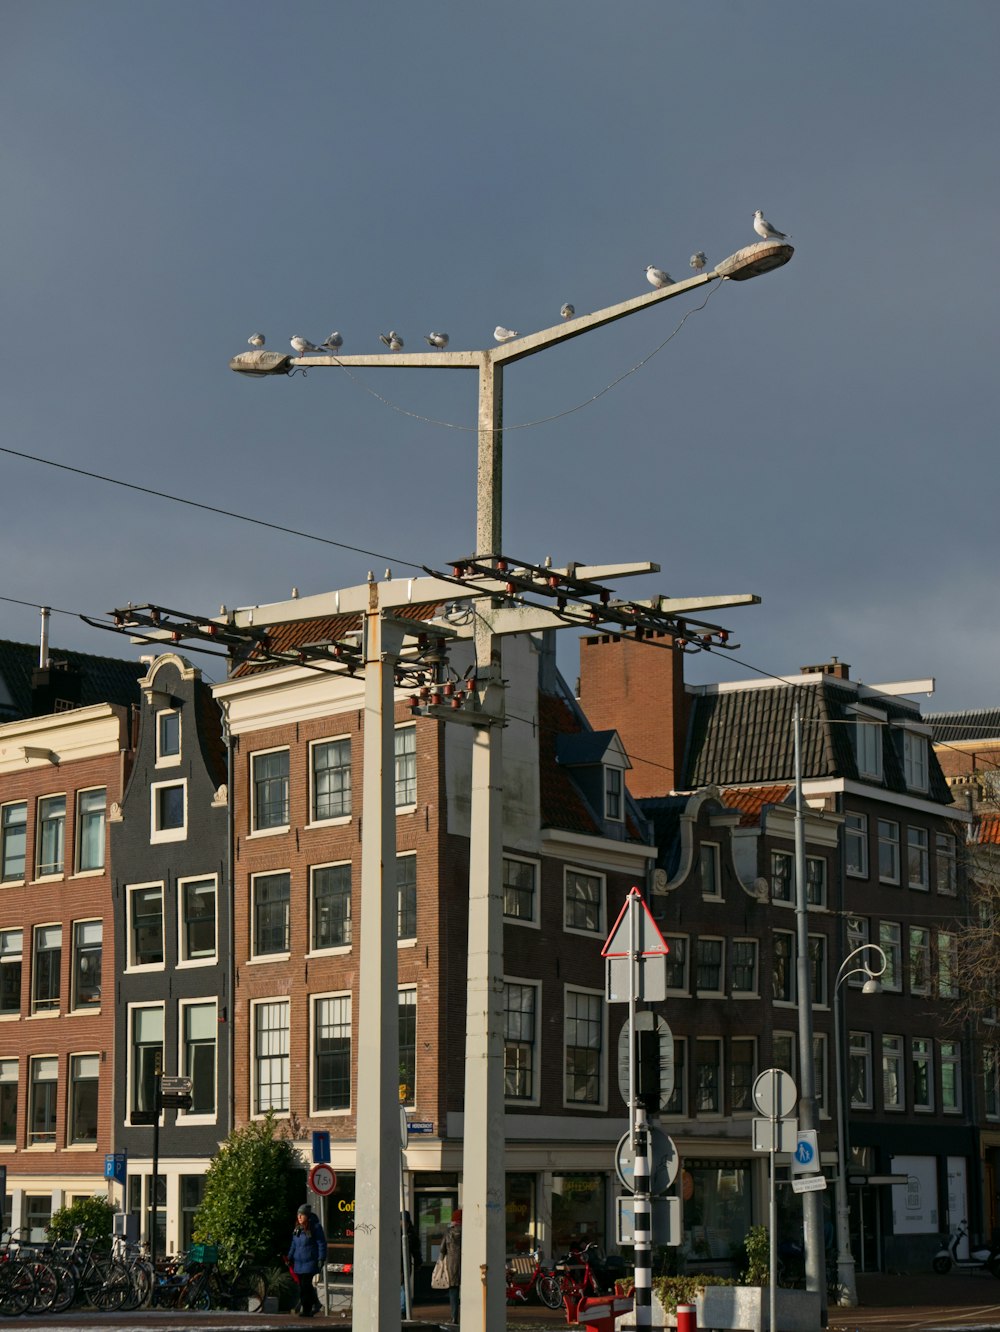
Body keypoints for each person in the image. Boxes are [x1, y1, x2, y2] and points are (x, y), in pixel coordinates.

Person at [287, 1201, 327, 1318]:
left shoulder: (315, 1227)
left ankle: (307, 1310)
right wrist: (289, 1257)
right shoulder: (297, 1229)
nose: (299, 1217)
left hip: (310, 1262)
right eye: (298, 1215)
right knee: (303, 1286)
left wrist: (321, 1258)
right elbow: (293, 1245)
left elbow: (321, 1244)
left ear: (307, 1216)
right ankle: (316, 1303)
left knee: (306, 1286)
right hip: (299, 1263)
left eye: (302, 1215)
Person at [438, 1208, 462, 1323]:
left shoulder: (448, 1232)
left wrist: (440, 1262)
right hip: (465, 1266)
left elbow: (442, 1249)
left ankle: (454, 1317)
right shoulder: (468, 1231)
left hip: (452, 1266)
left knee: (453, 1291)